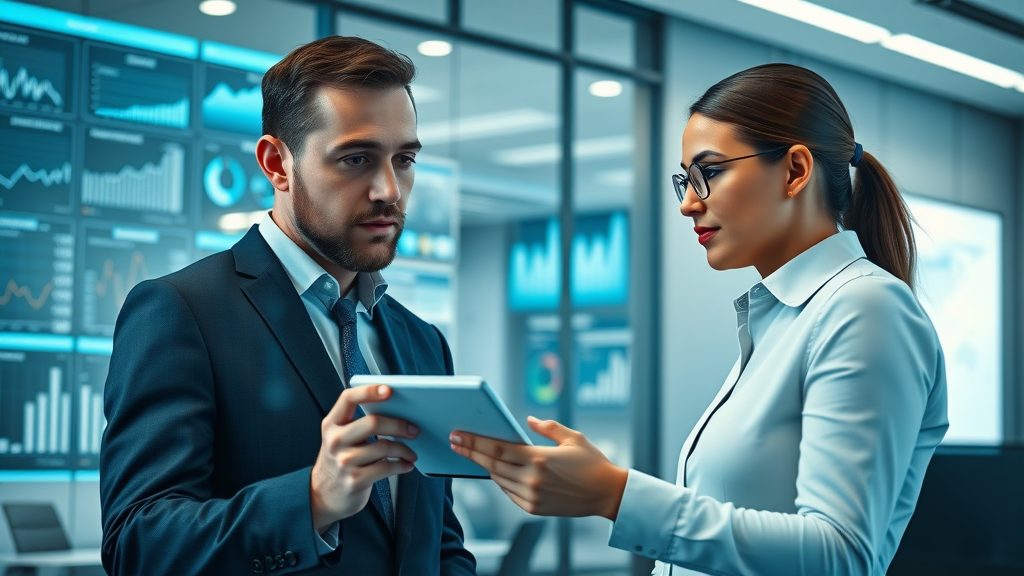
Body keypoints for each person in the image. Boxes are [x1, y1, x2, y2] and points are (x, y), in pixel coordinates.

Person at [449, 63, 948, 576]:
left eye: (709, 173)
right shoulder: (784, 317)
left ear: (796, 171)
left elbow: (839, 555)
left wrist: (614, 494)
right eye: (685, 180)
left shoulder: (865, 309)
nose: (689, 203)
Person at [100, 36, 476, 576]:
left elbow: (441, 546)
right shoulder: (181, 312)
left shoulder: (422, 341)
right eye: (355, 158)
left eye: (405, 159)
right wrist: (314, 500)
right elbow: (137, 545)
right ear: (278, 163)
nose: (389, 189)